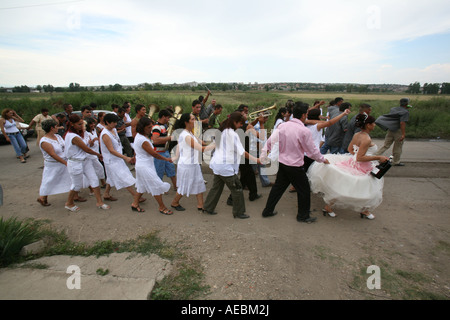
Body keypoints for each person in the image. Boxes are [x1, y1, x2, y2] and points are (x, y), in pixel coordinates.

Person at [307, 113, 389, 219]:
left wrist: (356, 157)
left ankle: (364, 209)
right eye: (373, 123)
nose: (374, 125)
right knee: (364, 189)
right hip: (362, 166)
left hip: (354, 162)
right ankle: (363, 209)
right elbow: (360, 158)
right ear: (368, 125)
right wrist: (378, 157)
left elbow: (350, 149)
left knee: (346, 186)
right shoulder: (366, 139)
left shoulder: (357, 135)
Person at [260, 102, 329, 223]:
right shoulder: (303, 131)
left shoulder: (282, 126)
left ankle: (268, 210)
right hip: (295, 166)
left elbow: (270, 141)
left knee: (278, 188)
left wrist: (264, 154)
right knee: (304, 190)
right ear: (303, 115)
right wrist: (322, 159)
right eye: (306, 113)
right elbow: (312, 152)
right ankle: (303, 216)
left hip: (283, 163)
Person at [203, 112, 261, 219]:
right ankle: (239, 212)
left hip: (218, 165)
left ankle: (208, 207)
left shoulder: (222, 130)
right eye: (240, 124)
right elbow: (242, 152)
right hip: (226, 167)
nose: (240, 126)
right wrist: (256, 159)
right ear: (235, 122)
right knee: (237, 188)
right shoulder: (233, 134)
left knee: (216, 188)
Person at [64, 114, 109, 212]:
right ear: (72, 124)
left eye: (82, 124)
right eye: (79, 124)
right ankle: (69, 203)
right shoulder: (72, 136)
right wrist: (98, 154)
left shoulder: (81, 133)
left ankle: (99, 202)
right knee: (76, 185)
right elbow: (86, 149)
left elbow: (87, 145)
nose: (81, 126)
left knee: (94, 180)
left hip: (85, 160)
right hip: (75, 163)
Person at [171, 113, 214, 212]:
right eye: (192, 119)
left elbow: (202, 142)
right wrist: (215, 145)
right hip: (187, 165)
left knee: (199, 183)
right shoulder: (186, 135)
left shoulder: (189, 133)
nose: (195, 121)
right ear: (186, 122)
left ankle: (201, 205)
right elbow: (201, 149)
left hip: (193, 164)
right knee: (184, 186)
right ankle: (174, 202)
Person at [132, 117, 173, 214]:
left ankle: (135, 203)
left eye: (151, 127)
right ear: (143, 127)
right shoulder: (143, 140)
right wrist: (166, 159)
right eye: (149, 127)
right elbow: (154, 154)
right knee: (156, 185)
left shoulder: (140, 136)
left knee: (141, 186)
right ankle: (162, 207)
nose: (151, 129)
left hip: (143, 165)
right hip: (144, 166)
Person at [100, 113, 141, 205]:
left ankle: (106, 194)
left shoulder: (113, 129)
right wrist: (125, 157)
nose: (115, 124)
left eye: (116, 122)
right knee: (123, 177)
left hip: (117, 158)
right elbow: (111, 150)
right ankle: (135, 196)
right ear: (107, 122)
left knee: (111, 178)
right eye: (113, 122)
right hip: (111, 160)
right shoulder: (105, 134)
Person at [37, 119, 72, 206]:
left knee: (70, 179)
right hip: (53, 165)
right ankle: (43, 197)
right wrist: (65, 162)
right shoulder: (45, 141)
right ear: (52, 128)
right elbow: (53, 155)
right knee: (49, 181)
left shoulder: (58, 137)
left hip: (63, 161)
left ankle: (75, 195)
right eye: (56, 126)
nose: (58, 128)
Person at [305, 107, 351, 172]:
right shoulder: (317, 126)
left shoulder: (303, 124)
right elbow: (330, 123)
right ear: (317, 116)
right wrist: (343, 114)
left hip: (304, 154)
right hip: (313, 154)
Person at [374, 98, 412, 166]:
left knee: (386, 145)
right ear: (407, 104)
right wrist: (403, 134)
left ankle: (375, 157)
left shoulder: (393, 109)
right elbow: (402, 123)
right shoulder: (405, 112)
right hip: (398, 130)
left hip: (391, 129)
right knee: (398, 147)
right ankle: (396, 161)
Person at [151, 109, 177, 191]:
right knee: (159, 172)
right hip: (158, 153)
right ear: (163, 117)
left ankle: (176, 187)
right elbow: (155, 140)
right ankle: (158, 189)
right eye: (167, 118)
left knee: (171, 170)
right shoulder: (156, 127)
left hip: (165, 152)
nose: (168, 119)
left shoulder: (164, 126)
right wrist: (170, 138)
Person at [84, 117, 107, 193]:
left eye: (94, 123)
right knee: (93, 170)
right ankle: (92, 187)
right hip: (90, 155)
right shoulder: (86, 133)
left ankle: (102, 183)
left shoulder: (94, 131)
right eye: (91, 124)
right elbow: (87, 145)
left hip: (96, 153)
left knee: (99, 168)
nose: (93, 125)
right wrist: (91, 142)